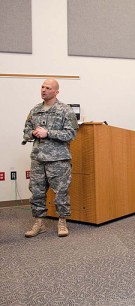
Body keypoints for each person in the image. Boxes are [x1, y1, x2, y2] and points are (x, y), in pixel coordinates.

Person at [23, 78, 79, 237]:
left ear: (56, 91)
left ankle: (62, 221)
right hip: (38, 158)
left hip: (58, 159)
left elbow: (71, 134)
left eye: (48, 88)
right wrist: (32, 134)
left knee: (61, 192)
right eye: (42, 87)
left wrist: (48, 133)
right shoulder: (34, 110)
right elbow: (26, 132)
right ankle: (39, 223)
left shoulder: (65, 110)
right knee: (37, 192)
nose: (43, 90)